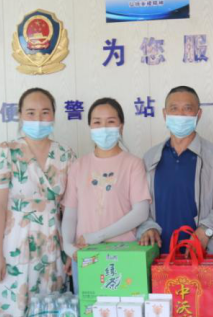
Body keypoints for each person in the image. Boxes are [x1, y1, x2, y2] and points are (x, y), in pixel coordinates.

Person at [0, 88, 76, 317]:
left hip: (52, 245)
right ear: (20, 115)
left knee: (48, 310)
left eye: (45, 112)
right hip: (13, 245)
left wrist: (69, 250)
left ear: (54, 115)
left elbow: (70, 209)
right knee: (13, 309)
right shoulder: (7, 151)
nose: (38, 118)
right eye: (31, 113)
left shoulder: (65, 154)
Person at [137, 86, 213, 266]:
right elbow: (141, 205)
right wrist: (147, 227)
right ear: (164, 114)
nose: (180, 114)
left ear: (198, 114)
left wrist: (206, 230)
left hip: (203, 258)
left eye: (187, 108)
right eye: (174, 108)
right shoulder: (150, 157)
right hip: (160, 259)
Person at [62, 98, 151, 275]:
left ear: (121, 126)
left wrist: (98, 236)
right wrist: (68, 247)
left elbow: (141, 212)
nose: (103, 128)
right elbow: (70, 214)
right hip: (85, 254)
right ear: (90, 127)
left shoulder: (133, 164)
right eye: (97, 122)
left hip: (123, 254)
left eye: (110, 122)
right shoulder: (78, 166)